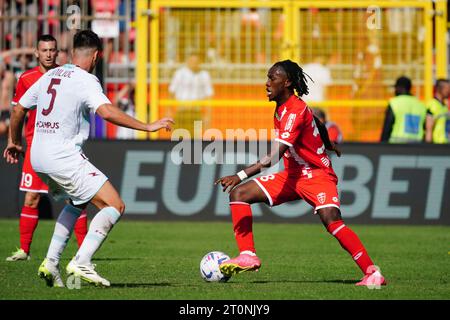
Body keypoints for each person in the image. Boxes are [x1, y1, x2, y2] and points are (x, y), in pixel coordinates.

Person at [4, 30, 174, 287]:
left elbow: (18, 109)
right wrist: (148, 126)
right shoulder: (86, 80)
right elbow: (106, 112)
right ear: (96, 57)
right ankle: (82, 261)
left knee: (77, 202)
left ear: (72, 54)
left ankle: (50, 262)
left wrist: (14, 141)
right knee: (115, 205)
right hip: (62, 156)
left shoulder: (50, 74)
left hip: (38, 157)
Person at [215, 60, 386, 287]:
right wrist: (328, 142)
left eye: (272, 79)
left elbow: (272, 158)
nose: (266, 83)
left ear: (286, 83)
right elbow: (318, 122)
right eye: (267, 77)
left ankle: (372, 272)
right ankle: (248, 255)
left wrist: (240, 174)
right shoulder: (286, 107)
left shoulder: (293, 112)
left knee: (331, 220)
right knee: (239, 194)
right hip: (293, 175)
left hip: (317, 175)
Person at [6, 34, 88, 262]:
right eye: (45, 50)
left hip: (63, 145)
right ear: (36, 53)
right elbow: (18, 113)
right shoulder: (26, 78)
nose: (49, 54)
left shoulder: (67, 75)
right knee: (31, 198)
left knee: (75, 197)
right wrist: (14, 141)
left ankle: (83, 251)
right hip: (35, 146)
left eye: (53, 50)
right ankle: (24, 250)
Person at [168, 53, 213, 138]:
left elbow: (208, 96)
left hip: (196, 112)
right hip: (181, 112)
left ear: (200, 62)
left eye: (196, 61)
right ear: (187, 61)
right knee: (178, 138)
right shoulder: (179, 73)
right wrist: (169, 111)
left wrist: (208, 115)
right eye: (192, 61)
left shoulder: (204, 75)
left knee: (195, 140)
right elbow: (171, 92)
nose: (194, 63)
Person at [380, 76, 427, 143]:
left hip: (397, 144)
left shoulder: (394, 103)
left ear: (399, 88)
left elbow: (387, 127)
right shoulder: (421, 105)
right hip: (417, 145)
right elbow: (425, 127)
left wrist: (382, 144)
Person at [425, 79, 450, 144]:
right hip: (437, 146)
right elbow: (429, 128)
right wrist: (428, 147)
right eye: (447, 88)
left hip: (445, 144)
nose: (449, 91)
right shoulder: (432, 105)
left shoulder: (444, 106)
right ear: (439, 89)